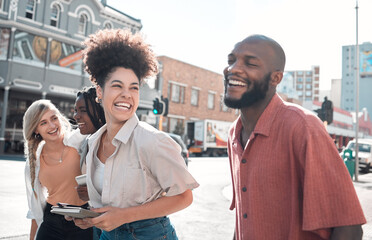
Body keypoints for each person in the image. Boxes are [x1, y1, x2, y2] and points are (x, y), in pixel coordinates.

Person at [223, 34, 366, 240]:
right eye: (231, 61)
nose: (233, 68)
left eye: (251, 63)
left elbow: (349, 227)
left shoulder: (303, 126)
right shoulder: (233, 134)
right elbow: (245, 217)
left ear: (276, 78)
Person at [72, 28, 199, 239]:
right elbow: (108, 203)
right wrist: (91, 218)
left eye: (134, 88)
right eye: (117, 86)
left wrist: (123, 216)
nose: (126, 95)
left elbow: (184, 197)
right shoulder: (92, 142)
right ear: (100, 92)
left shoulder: (153, 141)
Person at [23, 99, 92, 240]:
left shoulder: (80, 142)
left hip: (83, 220)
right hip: (51, 221)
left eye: (54, 118)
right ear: (36, 129)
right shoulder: (34, 162)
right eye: (43, 123)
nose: (52, 125)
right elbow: (34, 207)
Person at [73, 86, 106, 240]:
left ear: (99, 111)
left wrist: (92, 193)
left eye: (83, 110)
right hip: (99, 226)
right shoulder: (86, 143)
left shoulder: (113, 143)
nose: (76, 116)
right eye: (75, 111)